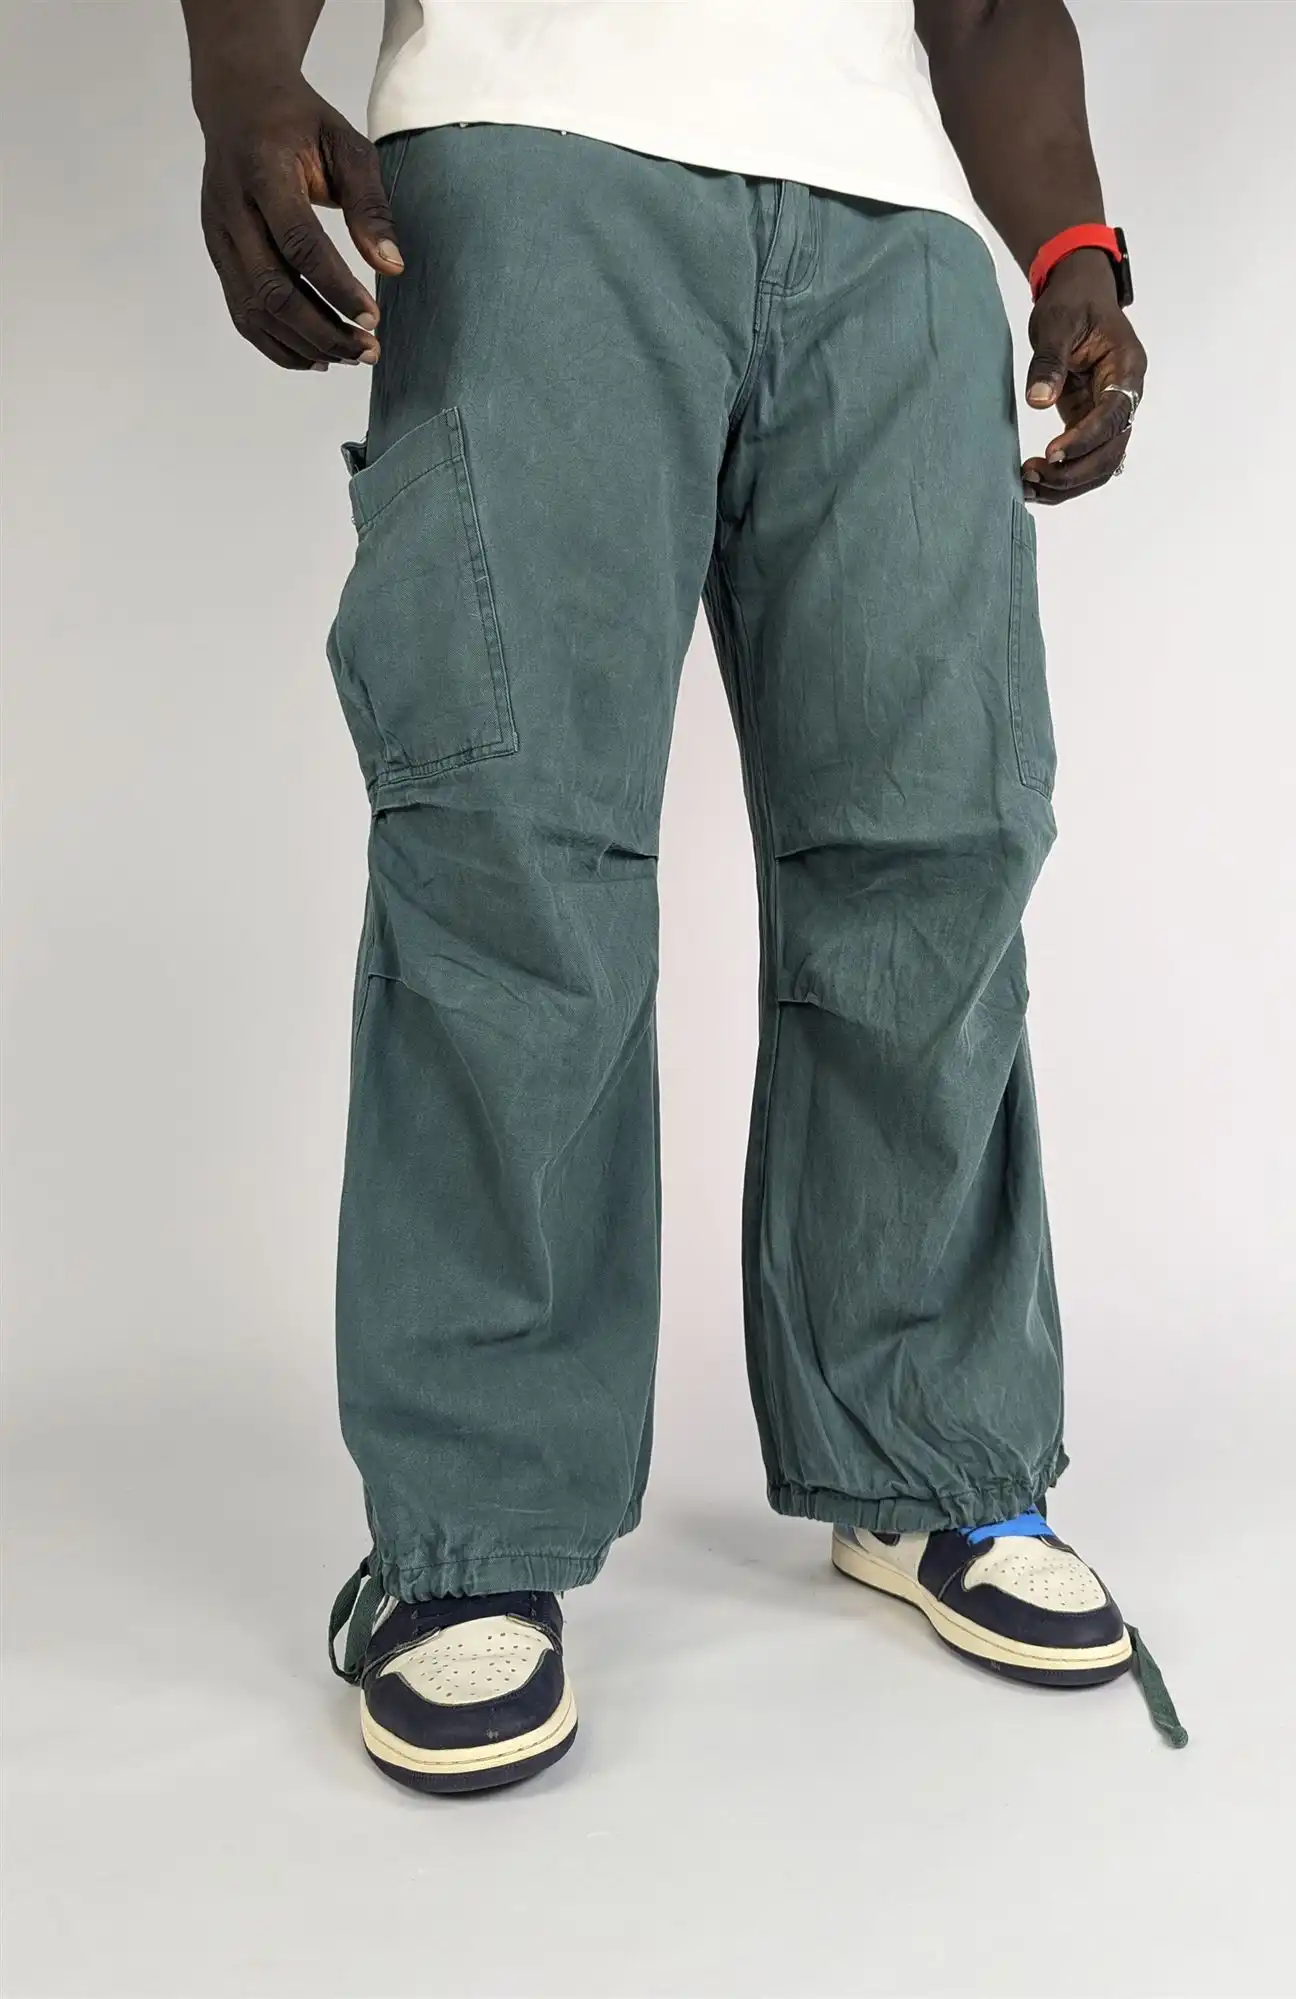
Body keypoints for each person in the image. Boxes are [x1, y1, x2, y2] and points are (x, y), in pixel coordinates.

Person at [181, 0, 1184, 1795]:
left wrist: (1071, 250)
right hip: (531, 156)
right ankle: (471, 1529)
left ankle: (927, 1453)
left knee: (935, 846)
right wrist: (242, 78)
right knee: (513, 841)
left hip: (892, 220)